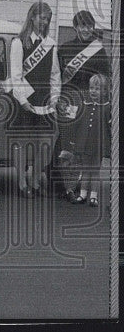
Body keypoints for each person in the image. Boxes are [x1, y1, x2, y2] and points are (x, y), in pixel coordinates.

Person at [54, 10, 110, 199]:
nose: (86, 29)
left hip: (88, 102)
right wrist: (58, 98)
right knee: (66, 144)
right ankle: (66, 185)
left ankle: (79, 185)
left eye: (89, 25)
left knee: (83, 145)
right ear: (75, 27)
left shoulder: (98, 50)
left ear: (92, 27)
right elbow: (57, 78)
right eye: (82, 25)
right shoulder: (65, 48)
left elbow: (105, 79)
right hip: (68, 100)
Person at [8, 2, 61, 198]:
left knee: (44, 143)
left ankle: (36, 180)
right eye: (41, 17)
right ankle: (22, 182)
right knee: (23, 143)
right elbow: (16, 74)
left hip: (45, 100)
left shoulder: (50, 43)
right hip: (26, 99)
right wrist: (22, 100)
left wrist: (55, 98)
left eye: (47, 19)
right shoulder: (19, 42)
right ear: (32, 17)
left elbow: (55, 74)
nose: (44, 22)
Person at [64, 73, 110, 206]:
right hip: (83, 143)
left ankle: (93, 196)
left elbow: (109, 127)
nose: (93, 91)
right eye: (91, 88)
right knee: (85, 170)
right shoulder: (84, 104)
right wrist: (73, 140)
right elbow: (77, 124)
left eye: (97, 89)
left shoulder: (107, 107)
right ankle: (83, 194)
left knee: (95, 170)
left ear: (105, 91)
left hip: (98, 144)